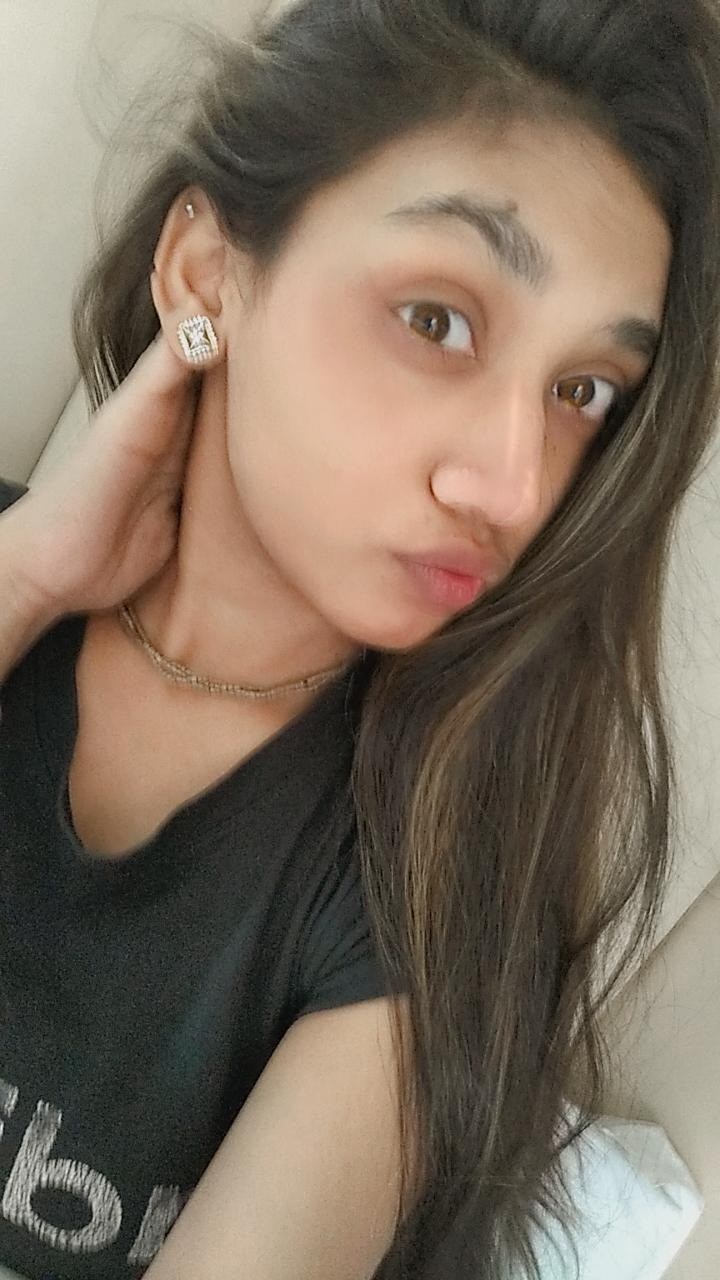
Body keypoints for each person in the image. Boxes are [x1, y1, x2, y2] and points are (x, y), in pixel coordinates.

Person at [1, 0, 719, 1275]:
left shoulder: (430, 888)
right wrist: (27, 573)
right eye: (438, 319)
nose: (515, 484)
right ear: (205, 272)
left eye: (583, 391)